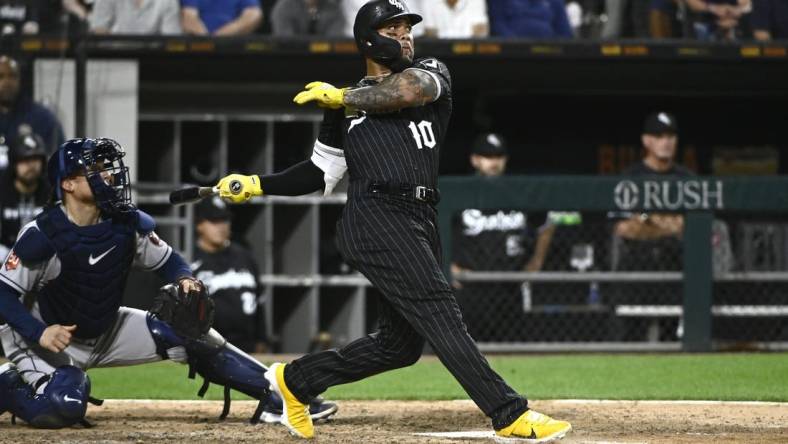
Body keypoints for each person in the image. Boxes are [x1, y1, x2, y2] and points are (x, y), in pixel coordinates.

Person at [213, 0, 572, 441]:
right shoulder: (341, 108)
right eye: (394, 29)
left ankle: (296, 381)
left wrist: (344, 97)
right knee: (440, 309)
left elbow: (406, 93)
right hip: (373, 217)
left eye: (407, 28)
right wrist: (256, 182)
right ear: (368, 38)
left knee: (399, 347)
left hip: (420, 216)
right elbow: (320, 172)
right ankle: (508, 412)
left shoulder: (430, 71)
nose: (404, 36)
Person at [0, 138, 337, 428]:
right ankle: (7, 384)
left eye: (106, 167)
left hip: (104, 328)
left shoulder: (124, 223)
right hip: (44, 337)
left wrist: (185, 278)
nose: (108, 175)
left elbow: (169, 262)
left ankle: (280, 396)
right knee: (66, 404)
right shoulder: (43, 234)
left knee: (189, 333)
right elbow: (3, 294)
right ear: (68, 184)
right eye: (96, 170)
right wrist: (39, 332)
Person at [450, 133, 557, 341]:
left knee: (512, 354)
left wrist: (536, 261)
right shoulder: (460, 191)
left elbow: (547, 224)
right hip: (471, 286)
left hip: (510, 288)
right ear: (475, 160)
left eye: (498, 157)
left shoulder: (518, 191)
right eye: (488, 157)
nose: (494, 162)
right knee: (465, 353)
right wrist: (447, 265)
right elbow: (431, 229)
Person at [611, 111, 693, 272]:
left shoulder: (686, 178)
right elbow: (623, 228)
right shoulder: (630, 177)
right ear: (646, 140)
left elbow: (693, 227)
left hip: (677, 264)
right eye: (659, 137)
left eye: (670, 137)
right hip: (636, 261)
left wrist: (649, 221)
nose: (666, 142)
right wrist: (664, 224)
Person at [192, 196, 265, 353]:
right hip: (206, 346)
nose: (221, 227)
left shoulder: (245, 256)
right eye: (214, 221)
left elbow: (260, 301)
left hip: (246, 347)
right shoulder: (189, 260)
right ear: (199, 225)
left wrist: (261, 339)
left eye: (224, 220)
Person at [0, 55, 65, 173]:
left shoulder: (43, 119)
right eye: (1, 77)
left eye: (12, 76)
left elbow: (58, 161)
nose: (7, 82)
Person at [0, 133, 50, 260]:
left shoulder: (52, 191)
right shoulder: (3, 190)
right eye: (25, 159)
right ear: (14, 163)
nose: (31, 165)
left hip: (43, 259)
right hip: (4, 258)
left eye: (35, 159)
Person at [487, 0, 573, 38]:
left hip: (549, 57)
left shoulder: (555, 1)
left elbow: (565, 33)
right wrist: (517, 47)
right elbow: (497, 24)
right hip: (512, 56)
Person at [90, 0, 182, 35]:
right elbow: (98, 31)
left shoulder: (169, 1)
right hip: (115, 59)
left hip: (154, 60)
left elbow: (171, 41)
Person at [181, 0, 263, 36]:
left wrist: (219, 37)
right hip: (199, 47)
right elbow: (189, 17)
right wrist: (207, 41)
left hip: (233, 45)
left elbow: (253, 15)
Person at [271, 0, 345, 37]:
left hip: (326, 61)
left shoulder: (334, 9)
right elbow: (285, 42)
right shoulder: (284, 7)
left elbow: (333, 43)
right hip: (290, 59)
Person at [421, 0, 489, 38]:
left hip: (469, 56)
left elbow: (481, 32)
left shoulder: (477, 1)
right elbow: (430, 33)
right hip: (439, 55)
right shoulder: (428, 1)